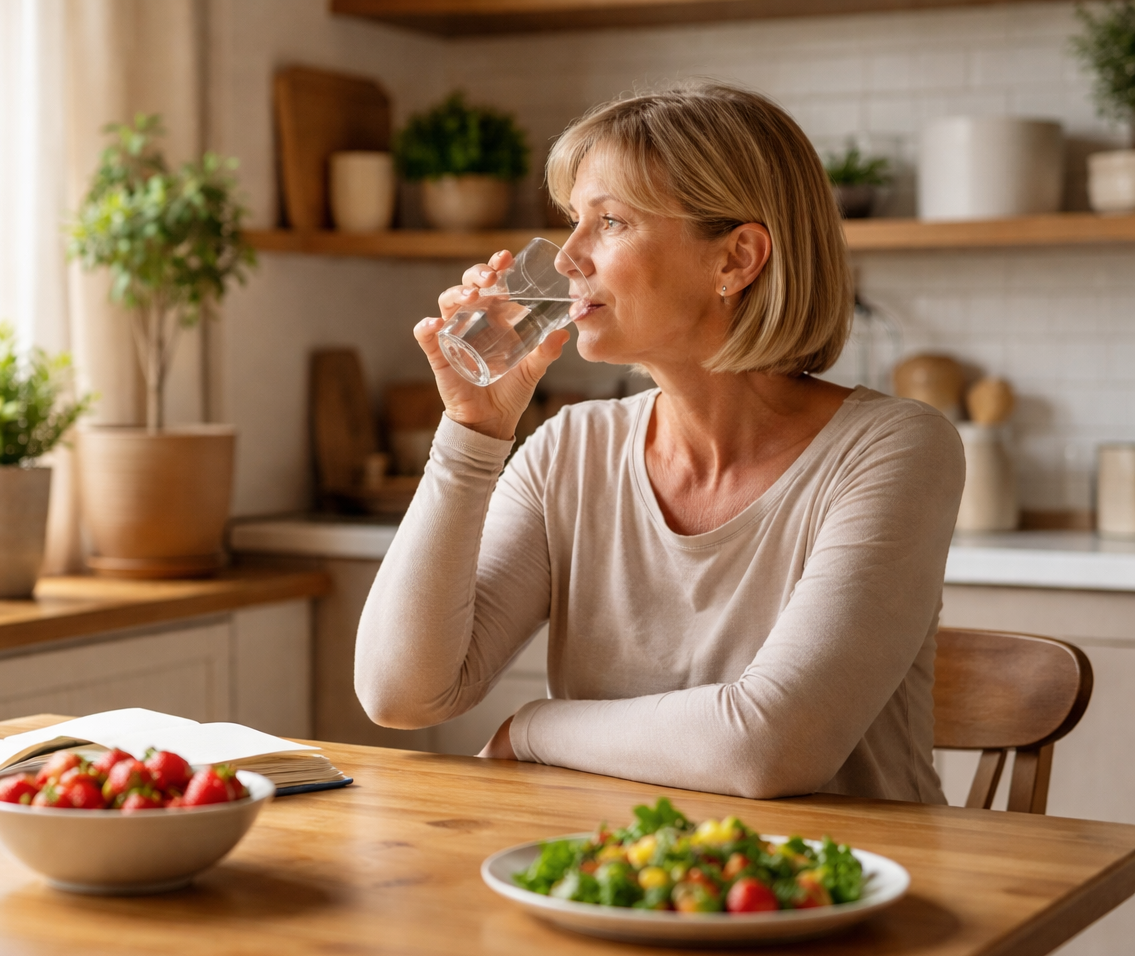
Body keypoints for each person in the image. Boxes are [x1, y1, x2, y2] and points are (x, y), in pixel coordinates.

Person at [354, 83, 965, 804]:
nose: (568, 258)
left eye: (609, 222)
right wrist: (472, 434)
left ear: (736, 260)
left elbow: (766, 748)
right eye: (572, 222)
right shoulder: (570, 450)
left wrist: (534, 730)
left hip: (836, 893)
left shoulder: (893, 449)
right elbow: (401, 694)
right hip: (615, 881)